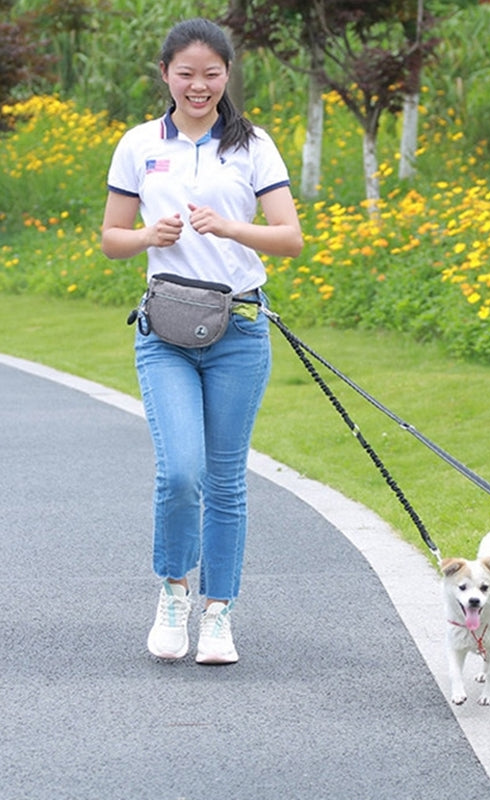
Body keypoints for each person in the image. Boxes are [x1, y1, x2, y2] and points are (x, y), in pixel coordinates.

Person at [101, 18, 303, 664]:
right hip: (164, 330)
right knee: (180, 470)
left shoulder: (253, 146)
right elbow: (112, 239)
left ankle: (219, 613)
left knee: (225, 479)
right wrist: (147, 239)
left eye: (211, 74)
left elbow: (290, 238)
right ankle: (173, 591)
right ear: (165, 75)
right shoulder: (139, 144)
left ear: (227, 76)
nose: (198, 85)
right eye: (185, 73)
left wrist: (231, 229)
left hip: (239, 330)